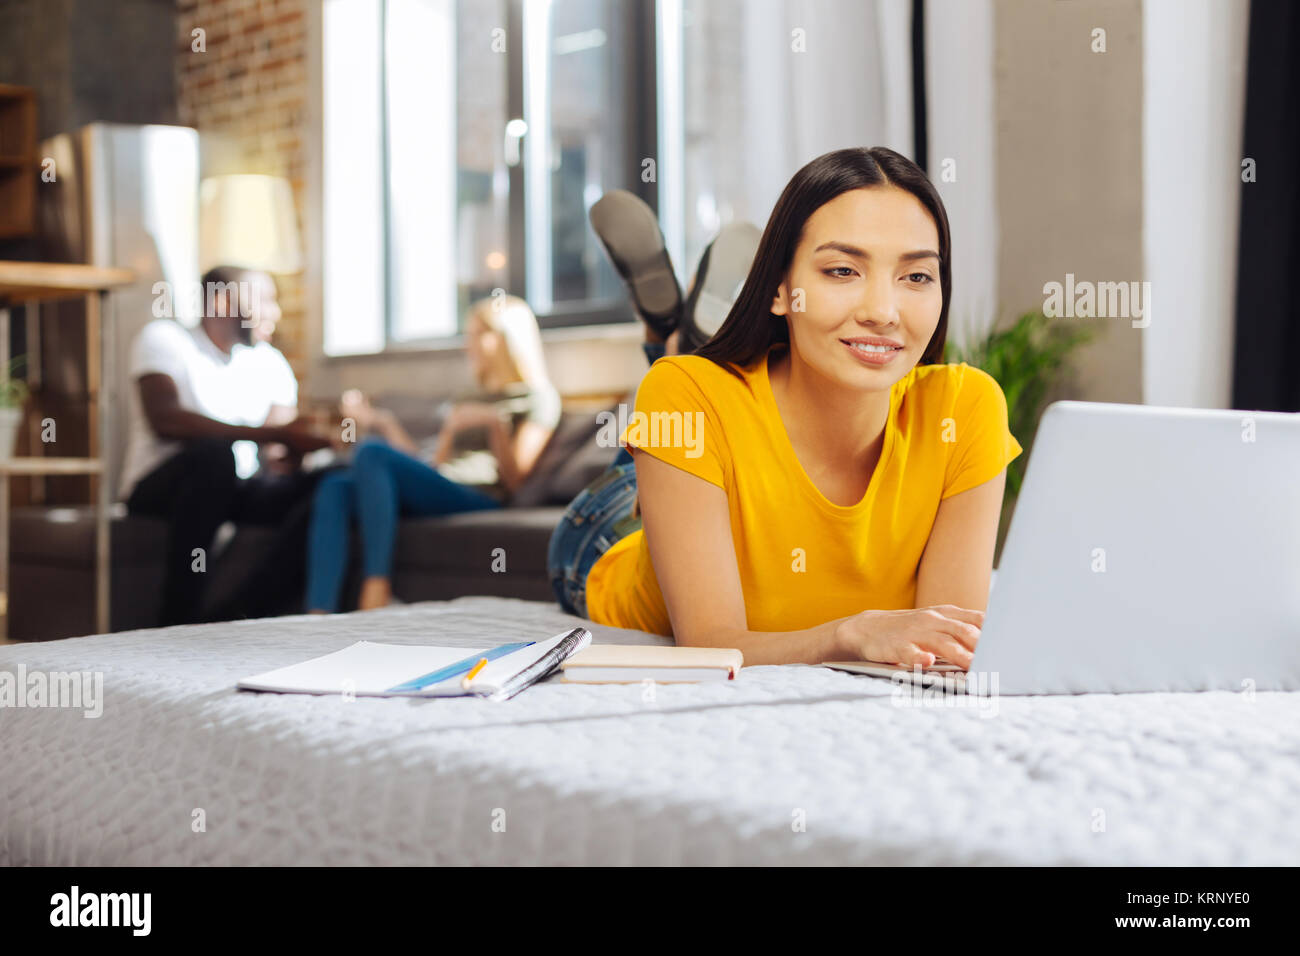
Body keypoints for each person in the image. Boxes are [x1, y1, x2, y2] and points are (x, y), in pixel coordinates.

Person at [548, 146, 1023, 669]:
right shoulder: (685, 396)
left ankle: (676, 335)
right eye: (843, 271)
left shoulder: (965, 408)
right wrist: (850, 634)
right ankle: (673, 344)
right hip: (607, 535)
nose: (884, 313)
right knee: (673, 391)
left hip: (702, 434)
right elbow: (710, 642)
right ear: (778, 289)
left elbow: (944, 639)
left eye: (916, 277)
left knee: (684, 397)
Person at [305, 294, 562, 613]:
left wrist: (494, 426)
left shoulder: (538, 398)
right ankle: (318, 611)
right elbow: (435, 463)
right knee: (336, 487)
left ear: (504, 339)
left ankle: (376, 587)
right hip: (442, 481)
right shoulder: (468, 395)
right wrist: (383, 422)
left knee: (371, 452)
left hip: (479, 494)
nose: (468, 345)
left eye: (477, 335)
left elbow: (516, 480)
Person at [121, 266, 332, 626]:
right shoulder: (165, 339)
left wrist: (299, 448)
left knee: (331, 483)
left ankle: (241, 613)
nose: (275, 312)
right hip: (160, 488)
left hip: (235, 488)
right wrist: (275, 435)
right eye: (265, 299)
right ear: (222, 300)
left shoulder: (269, 362)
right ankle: (178, 620)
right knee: (213, 457)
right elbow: (165, 419)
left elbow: (277, 451)